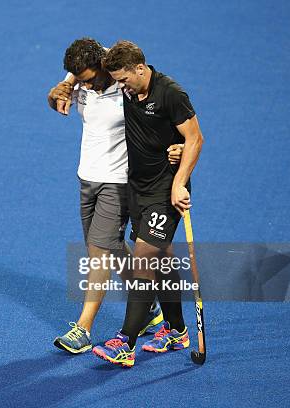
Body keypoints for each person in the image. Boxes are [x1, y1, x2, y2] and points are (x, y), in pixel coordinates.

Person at [46, 38, 184, 354]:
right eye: (80, 81)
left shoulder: (127, 88)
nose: (88, 87)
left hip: (118, 182)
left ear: (106, 68)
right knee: (109, 247)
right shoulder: (80, 84)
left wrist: (177, 147)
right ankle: (148, 308)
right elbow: (57, 98)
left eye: (91, 79)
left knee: (99, 253)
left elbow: (162, 111)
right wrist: (62, 87)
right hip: (87, 178)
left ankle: (83, 329)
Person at [90, 40, 204, 367]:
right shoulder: (125, 83)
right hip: (137, 187)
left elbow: (195, 138)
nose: (119, 86)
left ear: (140, 68)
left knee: (143, 259)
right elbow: (90, 59)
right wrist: (68, 83)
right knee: (162, 256)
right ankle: (177, 330)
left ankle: (125, 341)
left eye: (123, 80)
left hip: (166, 189)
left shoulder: (171, 93)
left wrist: (180, 181)